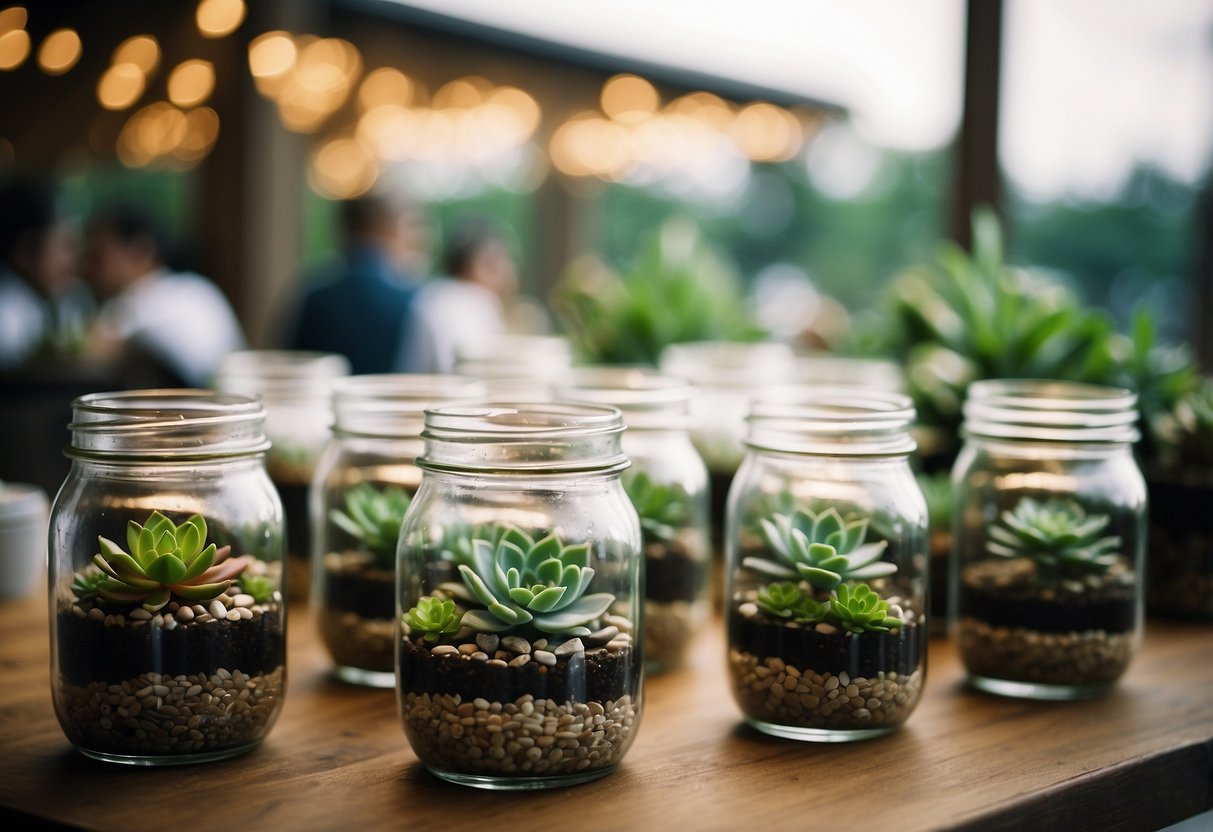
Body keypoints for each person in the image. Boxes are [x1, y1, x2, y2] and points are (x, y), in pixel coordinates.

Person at [82, 202, 246, 388]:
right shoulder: (199, 287)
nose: (89, 268)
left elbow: (100, 348)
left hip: (204, 406)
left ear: (141, 250)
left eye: (99, 256)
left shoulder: (142, 302)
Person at [287, 190, 429, 375]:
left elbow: (292, 365)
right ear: (387, 229)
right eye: (411, 228)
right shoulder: (416, 300)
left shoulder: (312, 294)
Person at [400, 216, 518, 375]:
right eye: (494, 264)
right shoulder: (464, 300)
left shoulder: (434, 294)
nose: (506, 272)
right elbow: (463, 370)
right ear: (472, 266)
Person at [0, 177, 92, 367]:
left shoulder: (53, 306)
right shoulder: (6, 322)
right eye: (67, 246)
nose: (75, 260)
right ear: (25, 251)